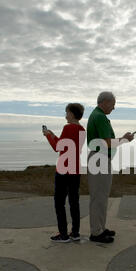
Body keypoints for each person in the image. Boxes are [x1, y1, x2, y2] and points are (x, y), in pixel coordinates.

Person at [87, 91, 135, 244]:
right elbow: (106, 142)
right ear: (105, 102)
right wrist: (125, 139)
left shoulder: (96, 115)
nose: (113, 108)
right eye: (113, 104)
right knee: (99, 197)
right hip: (100, 159)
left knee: (100, 196)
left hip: (98, 158)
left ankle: (100, 228)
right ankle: (96, 232)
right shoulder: (100, 117)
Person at [43, 103, 86, 243]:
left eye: (67, 112)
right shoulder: (82, 129)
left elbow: (57, 147)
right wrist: (54, 135)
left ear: (72, 114)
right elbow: (66, 144)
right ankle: (75, 232)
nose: (65, 115)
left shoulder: (68, 127)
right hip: (75, 168)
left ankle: (63, 234)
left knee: (59, 202)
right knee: (74, 202)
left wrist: (48, 136)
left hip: (63, 169)